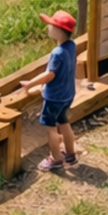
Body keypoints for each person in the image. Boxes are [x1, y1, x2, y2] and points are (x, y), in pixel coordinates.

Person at [21, 10, 81, 172]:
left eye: (51, 25)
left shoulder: (57, 53)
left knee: (51, 128)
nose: (48, 27)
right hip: (67, 94)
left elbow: (50, 74)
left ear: (59, 31)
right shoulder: (71, 46)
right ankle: (70, 154)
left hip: (54, 97)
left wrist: (30, 84)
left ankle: (55, 158)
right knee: (64, 122)